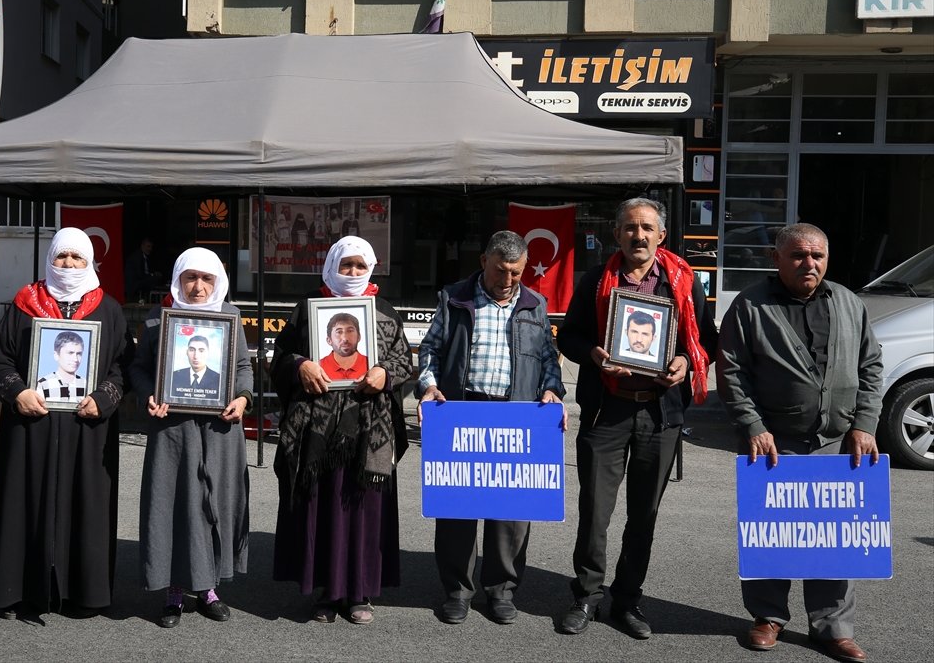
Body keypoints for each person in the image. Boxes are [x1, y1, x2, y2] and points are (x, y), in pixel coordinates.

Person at [717, 223, 881, 663]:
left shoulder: (847, 302)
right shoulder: (750, 306)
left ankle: (833, 628)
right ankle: (768, 617)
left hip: (836, 444)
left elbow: (871, 366)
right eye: (798, 255)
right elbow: (732, 373)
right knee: (772, 536)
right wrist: (752, 425)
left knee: (833, 539)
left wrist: (864, 424)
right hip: (772, 446)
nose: (809, 263)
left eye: (818, 256)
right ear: (777, 258)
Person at [556, 197, 716, 639]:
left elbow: (708, 339)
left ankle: (627, 600)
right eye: (630, 228)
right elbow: (569, 336)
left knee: (643, 515)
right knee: (595, 512)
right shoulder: (595, 280)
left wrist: (685, 359)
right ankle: (586, 597)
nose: (639, 235)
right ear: (617, 234)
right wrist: (593, 354)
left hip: (659, 412)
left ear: (661, 235)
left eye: (647, 228)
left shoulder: (683, 280)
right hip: (607, 410)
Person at [417, 230, 566, 626]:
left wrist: (552, 390)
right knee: (457, 510)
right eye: (501, 270)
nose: (509, 280)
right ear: (484, 260)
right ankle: (457, 592)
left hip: (515, 414)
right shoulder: (454, 298)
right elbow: (429, 349)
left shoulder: (535, 304)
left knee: (511, 514)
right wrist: (429, 386)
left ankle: (501, 591)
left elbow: (550, 359)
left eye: (516, 272)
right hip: (462, 411)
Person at [0, 227, 129, 620]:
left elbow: (121, 370)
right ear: (50, 259)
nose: (68, 264)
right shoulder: (24, 303)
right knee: (24, 503)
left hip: (88, 430)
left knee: (86, 505)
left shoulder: (108, 309)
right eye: (62, 256)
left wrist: (104, 399)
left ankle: (84, 591)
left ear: (90, 262)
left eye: (77, 258)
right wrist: (16, 392)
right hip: (31, 427)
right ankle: (19, 591)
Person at [272, 235, 411, 625]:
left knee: (362, 508)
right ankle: (325, 591)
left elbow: (403, 360)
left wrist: (385, 373)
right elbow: (279, 357)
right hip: (317, 432)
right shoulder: (307, 308)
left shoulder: (383, 310)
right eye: (345, 264)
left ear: (371, 268)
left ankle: (359, 592)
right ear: (332, 265)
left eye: (359, 266)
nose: (352, 272)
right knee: (322, 507)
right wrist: (300, 364)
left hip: (369, 431)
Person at [128, 247, 252, 629]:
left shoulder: (230, 317)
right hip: (173, 432)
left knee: (215, 506)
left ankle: (210, 588)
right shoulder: (157, 319)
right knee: (174, 505)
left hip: (220, 429)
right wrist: (149, 393)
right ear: (178, 279)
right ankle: (174, 591)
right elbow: (140, 368)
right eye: (190, 278)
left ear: (219, 282)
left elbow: (243, 366)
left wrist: (243, 398)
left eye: (207, 279)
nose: (198, 287)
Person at [35, 330, 87, 401]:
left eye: (79, 354)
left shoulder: (86, 384)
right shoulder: (43, 384)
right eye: (70, 353)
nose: (75, 359)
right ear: (56, 355)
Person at [318, 312, 368, 381]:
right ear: (329, 340)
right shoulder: (318, 367)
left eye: (350, 331)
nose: (345, 339)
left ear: (359, 337)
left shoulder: (371, 364)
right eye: (339, 332)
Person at [125, 237, 162, 301]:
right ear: (142, 246)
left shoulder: (146, 257)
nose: (150, 249)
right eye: (148, 246)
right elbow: (140, 274)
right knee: (154, 279)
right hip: (134, 284)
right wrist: (152, 275)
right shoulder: (137, 257)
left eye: (151, 247)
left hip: (140, 281)